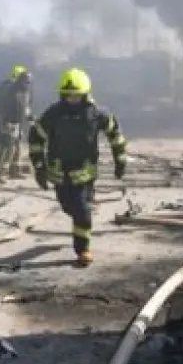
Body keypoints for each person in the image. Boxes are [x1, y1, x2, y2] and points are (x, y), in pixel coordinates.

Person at [28, 68, 127, 266]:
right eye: (69, 96)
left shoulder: (96, 114)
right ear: (62, 95)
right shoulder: (53, 114)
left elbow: (115, 135)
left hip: (84, 175)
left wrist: (120, 160)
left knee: (82, 211)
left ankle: (82, 249)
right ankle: (82, 215)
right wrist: (39, 167)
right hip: (60, 174)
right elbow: (36, 137)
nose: (72, 99)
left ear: (85, 94)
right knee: (69, 207)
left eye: (77, 96)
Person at [0, 65, 33, 182]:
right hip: (6, 122)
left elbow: (25, 107)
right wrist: (2, 124)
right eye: (25, 81)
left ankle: (14, 170)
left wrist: (30, 119)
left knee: (16, 145)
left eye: (28, 82)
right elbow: (2, 108)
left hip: (17, 123)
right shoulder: (9, 90)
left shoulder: (24, 92)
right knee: (5, 146)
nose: (27, 84)